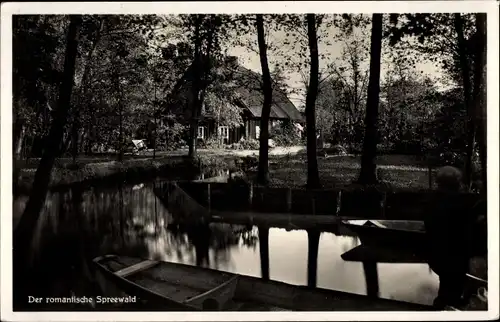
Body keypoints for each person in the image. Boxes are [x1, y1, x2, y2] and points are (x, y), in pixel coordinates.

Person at [424, 166, 472, 309]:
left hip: (438, 250)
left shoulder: (432, 201)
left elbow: (428, 223)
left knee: (445, 283)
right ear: (456, 182)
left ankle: (443, 305)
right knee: (454, 286)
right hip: (456, 251)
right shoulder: (462, 201)